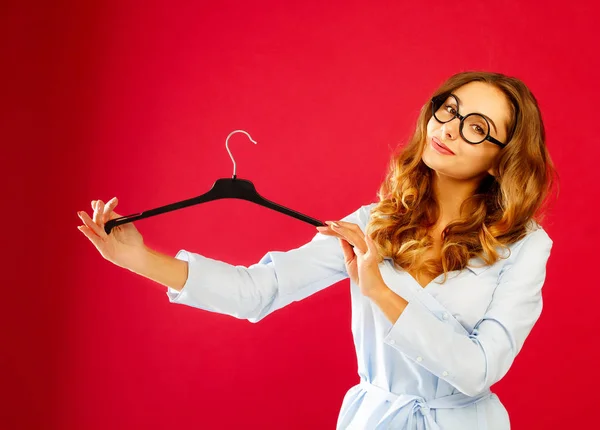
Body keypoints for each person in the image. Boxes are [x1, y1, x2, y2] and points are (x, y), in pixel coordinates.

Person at [76, 70, 557, 430]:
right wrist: (137, 259)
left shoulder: (526, 246)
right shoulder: (372, 223)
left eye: (476, 126)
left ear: (502, 160)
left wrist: (380, 291)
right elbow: (258, 290)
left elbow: (477, 372)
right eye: (447, 109)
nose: (448, 128)